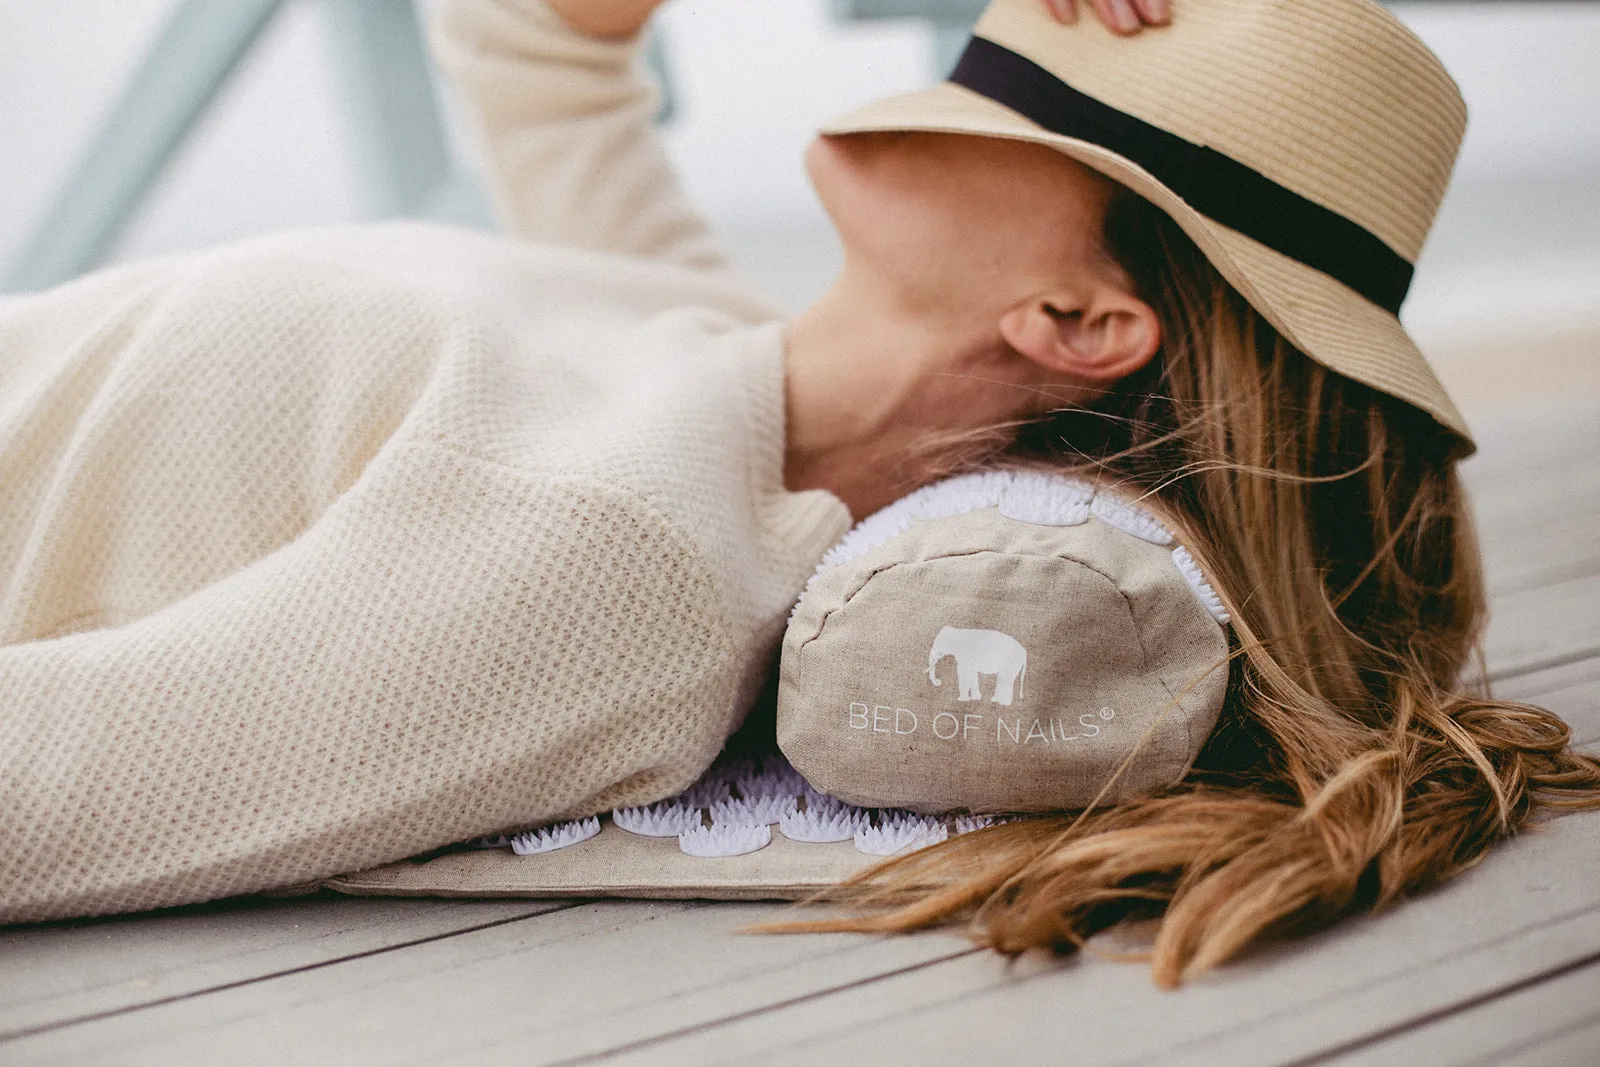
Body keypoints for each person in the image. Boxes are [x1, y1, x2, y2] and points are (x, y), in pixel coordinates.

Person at [0, 0, 1594, 988]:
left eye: (1033, 88)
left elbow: (45, 786)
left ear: (1079, 322)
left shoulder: (627, 557)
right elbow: (540, 50)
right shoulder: (713, 361)